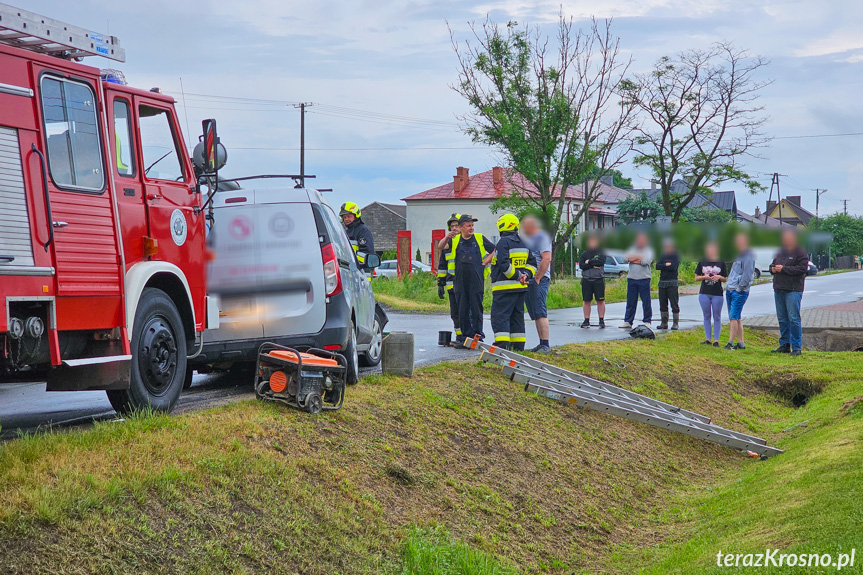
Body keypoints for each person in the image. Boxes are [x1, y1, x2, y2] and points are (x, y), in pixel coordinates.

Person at [490, 214, 536, 351]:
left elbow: (503, 264)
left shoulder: (503, 242)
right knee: (517, 317)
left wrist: (517, 276)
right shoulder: (524, 242)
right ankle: (518, 346)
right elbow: (533, 263)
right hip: (520, 289)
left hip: (503, 288)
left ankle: (502, 345)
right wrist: (525, 276)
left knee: (500, 316)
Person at [448, 214, 496, 344]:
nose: (471, 228)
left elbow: (494, 250)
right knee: (462, 308)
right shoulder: (455, 240)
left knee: (476, 307)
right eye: (468, 225)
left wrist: (485, 262)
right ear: (461, 227)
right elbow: (441, 246)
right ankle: (465, 337)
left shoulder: (480, 238)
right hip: (460, 280)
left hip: (476, 279)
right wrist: (447, 236)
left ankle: (477, 335)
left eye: (472, 225)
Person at [770, 229, 809, 356]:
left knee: (793, 318)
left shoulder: (801, 252)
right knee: (782, 319)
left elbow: (802, 269)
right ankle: (784, 345)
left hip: (793, 290)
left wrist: (784, 269)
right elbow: (772, 265)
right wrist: (773, 269)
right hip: (779, 288)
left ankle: (797, 347)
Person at [521, 216, 553, 352]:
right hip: (530, 279)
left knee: (540, 311)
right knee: (534, 312)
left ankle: (545, 344)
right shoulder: (528, 239)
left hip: (540, 278)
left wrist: (538, 276)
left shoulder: (542, 238)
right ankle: (541, 343)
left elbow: (547, 259)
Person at [724, 233, 756, 350]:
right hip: (731, 288)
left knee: (733, 317)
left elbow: (747, 275)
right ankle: (741, 343)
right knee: (736, 317)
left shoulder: (748, 255)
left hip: (739, 291)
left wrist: (739, 288)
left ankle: (730, 343)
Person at [695, 242, 727, 347]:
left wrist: (719, 277)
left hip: (717, 293)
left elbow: (725, 279)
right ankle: (708, 339)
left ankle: (716, 340)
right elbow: (696, 277)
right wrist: (705, 277)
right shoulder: (702, 261)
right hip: (704, 292)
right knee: (706, 316)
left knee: (717, 316)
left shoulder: (721, 262)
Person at [621, 232, 654, 329]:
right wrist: (639, 257)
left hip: (644, 279)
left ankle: (647, 320)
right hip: (632, 278)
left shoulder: (649, 250)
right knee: (631, 301)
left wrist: (632, 258)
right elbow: (624, 259)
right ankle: (628, 321)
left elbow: (645, 261)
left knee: (646, 301)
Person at [437, 213, 462, 340]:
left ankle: (467, 336)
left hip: (465, 284)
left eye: (457, 225)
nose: (454, 228)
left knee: (466, 312)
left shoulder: (467, 240)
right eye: (452, 226)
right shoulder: (447, 244)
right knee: (455, 313)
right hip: (451, 285)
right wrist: (440, 284)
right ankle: (459, 336)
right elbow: (442, 266)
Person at [579, 233, 606, 329]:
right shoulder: (584, 253)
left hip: (598, 280)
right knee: (586, 300)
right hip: (586, 280)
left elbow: (600, 262)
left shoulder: (601, 252)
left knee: (600, 300)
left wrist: (589, 262)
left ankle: (601, 320)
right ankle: (586, 320)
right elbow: (581, 265)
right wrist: (592, 265)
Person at [340, 202, 375, 273]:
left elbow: (366, 253)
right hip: (349, 272)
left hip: (362, 273)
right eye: (344, 217)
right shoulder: (345, 232)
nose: (346, 219)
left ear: (356, 216)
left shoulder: (363, 231)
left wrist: (354, 265)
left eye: (349, 216)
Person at [655, 239, 680, 330]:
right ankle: (664, 322)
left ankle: (675, 323)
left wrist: (664, 266)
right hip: (662, 282)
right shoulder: (662, 256)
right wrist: (666, 265)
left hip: (672, 282)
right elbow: (657, 266)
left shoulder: (676, 256)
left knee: (674, 303)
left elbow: (673, 267)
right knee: (662, 303)